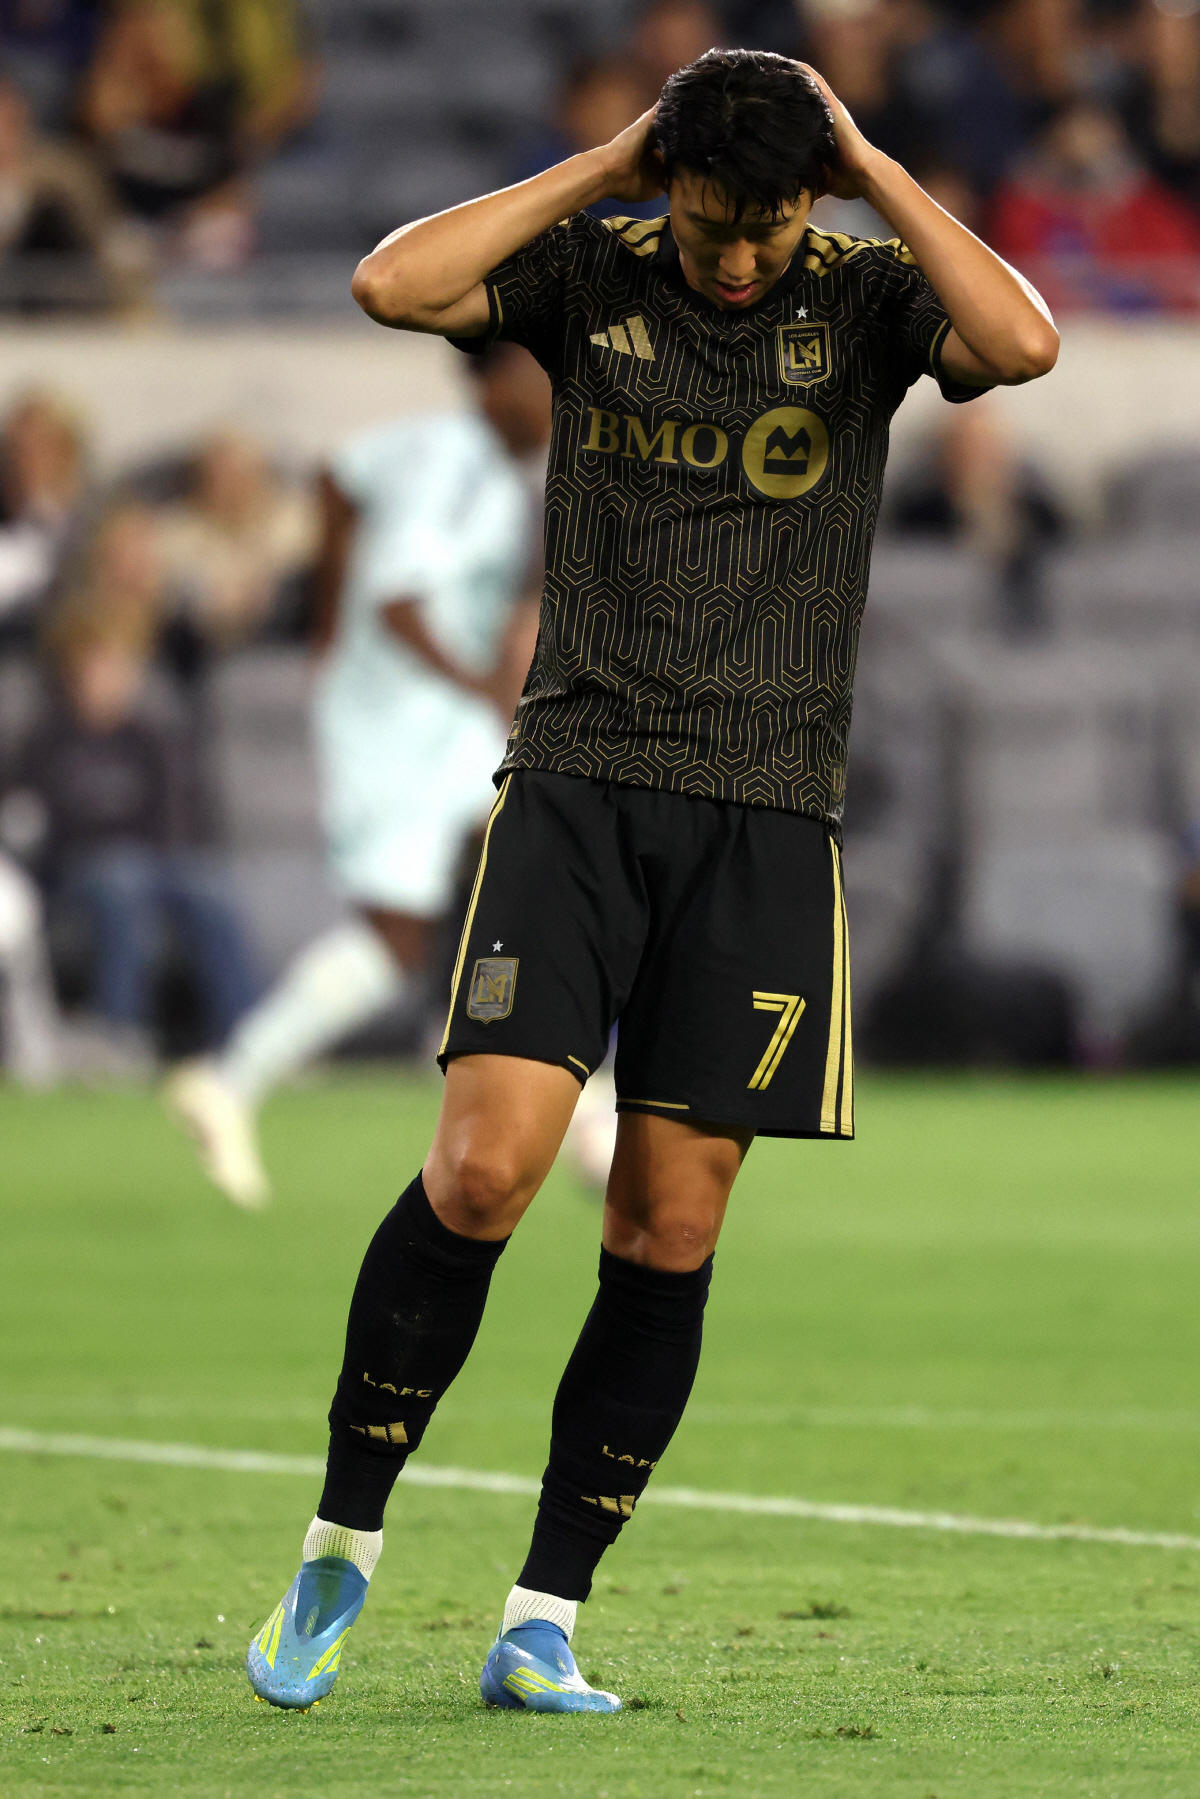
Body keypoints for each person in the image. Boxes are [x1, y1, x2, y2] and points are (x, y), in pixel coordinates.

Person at [245, 48, 1057, 1716]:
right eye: (709, 223)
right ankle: (341, 1538)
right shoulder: (595, 267)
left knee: (668, 1218)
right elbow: (392, 282)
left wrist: (867, 166)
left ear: (811, 203)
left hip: (766, 816)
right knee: (483, 1169)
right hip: (576, 788)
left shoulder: (864, 295)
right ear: (663, 188)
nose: (739, 259)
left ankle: (543, 1613)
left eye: (769, 227)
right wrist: (611, 158)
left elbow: (1026, 343)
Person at [164, 342, 551, 1209]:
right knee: (404, 934)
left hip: (418, 719)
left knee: (523, 878)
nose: (558, 397)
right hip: (402, 725)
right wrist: (480, 686)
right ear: (496, 380)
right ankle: (234, 1076)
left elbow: (338, 478)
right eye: (544, 376)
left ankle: (547, 1088)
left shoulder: (453, 454)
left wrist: (326, 622)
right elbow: (399, 600)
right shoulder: (454, 468)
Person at [5, 538, 258, 1070]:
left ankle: (247, 1038)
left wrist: (162, 856)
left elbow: (176, 815)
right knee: (122, 879)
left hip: (152, 862)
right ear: (74, 670)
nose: (112, 679)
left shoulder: (150, 737)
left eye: (122, 666)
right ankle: (119, 1032)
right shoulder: (45, 741)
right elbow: (31, 825)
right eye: (99, 666)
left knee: (208, 888)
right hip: (77, 873)